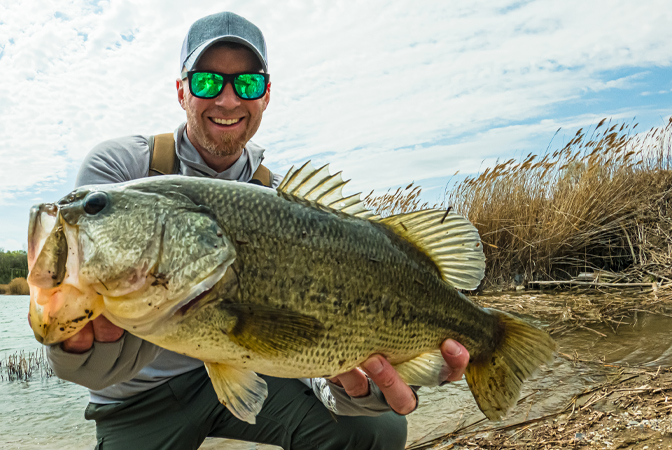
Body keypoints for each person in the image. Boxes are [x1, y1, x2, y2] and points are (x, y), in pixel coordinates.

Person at [48, 11, 470, 450]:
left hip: (254, 370)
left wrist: (351, 389)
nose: (228, 100)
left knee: (377, 430)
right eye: (207, 81)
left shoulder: (285, 202)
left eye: (247, 84)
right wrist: (73, 345)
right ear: (181, 90)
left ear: (266, 95)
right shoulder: (119, 173)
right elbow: (93, 367)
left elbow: (305, 357)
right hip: (141, 399)